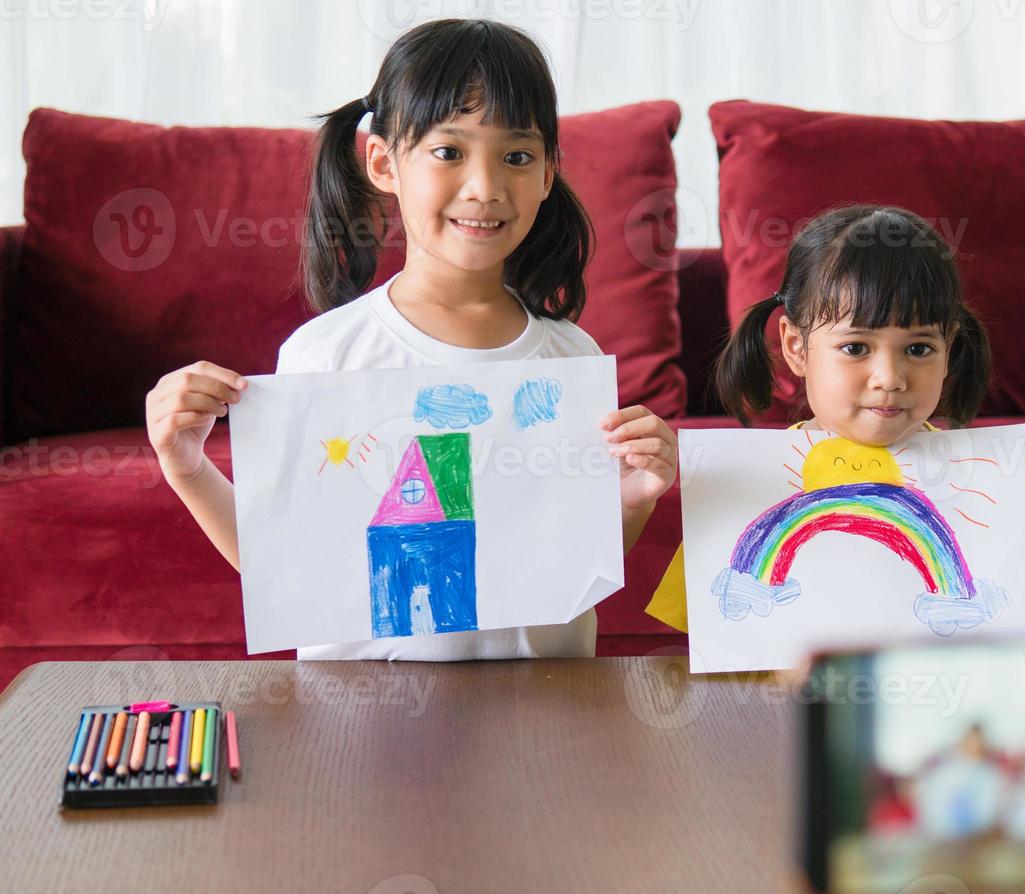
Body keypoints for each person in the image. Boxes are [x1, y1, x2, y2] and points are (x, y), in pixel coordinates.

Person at [145, 18, 676, 661]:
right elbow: (286, 565)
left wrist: (636, 496)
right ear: (383, 161)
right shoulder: (325, 355)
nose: (485, 187)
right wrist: (187, 466)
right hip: (368, 722)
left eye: (516, 156)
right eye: (449, 152)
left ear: (546, 174)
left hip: (540, 720)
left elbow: (570, 567)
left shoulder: (574, 359)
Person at [644, 204, 991, 631]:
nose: (890, 379)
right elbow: (713, 630)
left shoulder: (981, 490)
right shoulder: (751, 483)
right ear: (796, 347)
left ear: (949, 349)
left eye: (918, 349)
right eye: (856, 348)